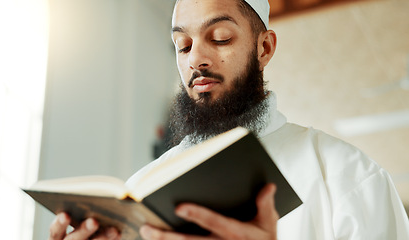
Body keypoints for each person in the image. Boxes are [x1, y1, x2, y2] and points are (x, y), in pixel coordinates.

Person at [48, 0, 409, 239]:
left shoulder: (348, 177)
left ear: (264, 48)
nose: (196, 59)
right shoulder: (142, 188)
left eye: (220, 38)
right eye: (183, 46)